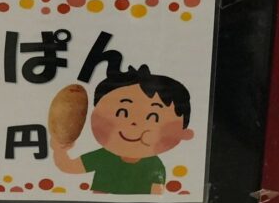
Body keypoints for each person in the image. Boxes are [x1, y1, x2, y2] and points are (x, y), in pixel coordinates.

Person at [51, 64, 194, 195]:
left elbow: (157, 196)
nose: (134, 123)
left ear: (182, 134)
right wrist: (59, 150)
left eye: (153, 117)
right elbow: (69, 166)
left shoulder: (154, 166)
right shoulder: (102, 157)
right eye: (122, 112)